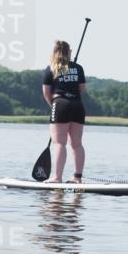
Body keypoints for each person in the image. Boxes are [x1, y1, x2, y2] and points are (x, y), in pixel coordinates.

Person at [42, 40, 87, 183]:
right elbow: (82, 89)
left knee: (59, 142)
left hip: (60, 104)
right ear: (68, 52)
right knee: (77, 143)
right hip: (77, 105)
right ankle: (77, 178)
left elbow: (46, 92)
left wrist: (54, 105)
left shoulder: (50, 69)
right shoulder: (78, 68)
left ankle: (57, 177)